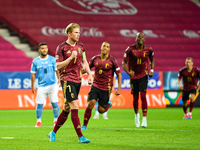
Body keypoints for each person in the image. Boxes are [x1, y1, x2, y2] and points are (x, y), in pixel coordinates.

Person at [48, 23, 93, 143]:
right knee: (74, 105)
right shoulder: (61, 47)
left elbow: (84, 61)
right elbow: (57, 65)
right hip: (67, 79)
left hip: (78, 79)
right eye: (76, 32)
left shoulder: (81, 46)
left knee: (67, 108)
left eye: (79, 32)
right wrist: (69, 58)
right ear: (69, 33)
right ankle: (80, 137)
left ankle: (53, 133)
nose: (79, 34)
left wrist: (89, 74)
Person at [81, 41, 122, 130]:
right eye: (104, 46)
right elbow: (87, 68)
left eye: (107, 47)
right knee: (91, 103)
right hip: (95, 86)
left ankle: (107, 104)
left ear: (109, 49)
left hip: (106, 88)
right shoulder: (95, 59)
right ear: (101, 47)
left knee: (101, 111)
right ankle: (84, 125)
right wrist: (78, 72)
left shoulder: (112, 61)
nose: (105, 48)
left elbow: (119, 75)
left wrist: (119, 89)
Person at [122, 32, 155, 128]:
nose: (140, 38)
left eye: (142, 37)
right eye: (138, 37)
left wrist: (151, 70)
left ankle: (144, 119)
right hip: (133, 76)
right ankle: (136, 115)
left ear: (144, 39)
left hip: (144, 75)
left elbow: (152, 59)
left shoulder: (149, 49)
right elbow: (124, 62)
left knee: (143, 96)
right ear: (135, 39)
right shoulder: (130, 50)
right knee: (135, 98)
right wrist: (128, 72)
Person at [31, 42, 60, 128]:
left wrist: (59, 79)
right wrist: (32, 85)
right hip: (41, 86)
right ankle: (38, 121)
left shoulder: (52, 59)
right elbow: (33, 73)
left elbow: (57, 70)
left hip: (53, 85)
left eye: (46, 48)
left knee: (54, 103)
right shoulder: (35, 61)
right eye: (43, 48)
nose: (44, 50)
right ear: (39, 50)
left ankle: (56, 121)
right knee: (39, 104)